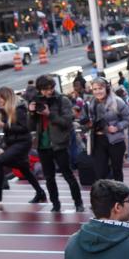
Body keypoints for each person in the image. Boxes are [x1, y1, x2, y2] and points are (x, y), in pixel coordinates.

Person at [29, 76, 85, 213]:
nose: (49, 91)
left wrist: (49, 114)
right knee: (49, 178)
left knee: (68, 175)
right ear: (40, 90)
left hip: (59, 144)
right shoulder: (36, 101)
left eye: (51, 88)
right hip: (43, 145)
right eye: (45, 89)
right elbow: (30, 126)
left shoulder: (62, 100)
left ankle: (78, 203)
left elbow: (67, 122)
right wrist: (31, 112)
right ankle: (55, 204)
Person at [0, 87, 47, 203]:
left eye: (0, 97)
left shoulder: (18, 109)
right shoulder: (6, 110)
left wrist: (4, 125)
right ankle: (40, 192)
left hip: (22, 142)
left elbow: (25, 128)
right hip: (15, 143)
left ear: (6, 97)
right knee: (24, 169)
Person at [82, 78, 129, 182]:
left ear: (107, 88)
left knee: (117, 170)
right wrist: (88, 125)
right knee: (100, 172)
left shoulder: (117, 101)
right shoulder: (90, 103)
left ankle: (119, 194)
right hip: (97, 139)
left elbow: (128, 119)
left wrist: (117, 127)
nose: (97, 91)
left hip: (115, 140)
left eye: (100, 88)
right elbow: (86, 123)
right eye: (95, 89)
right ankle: (105, 195)